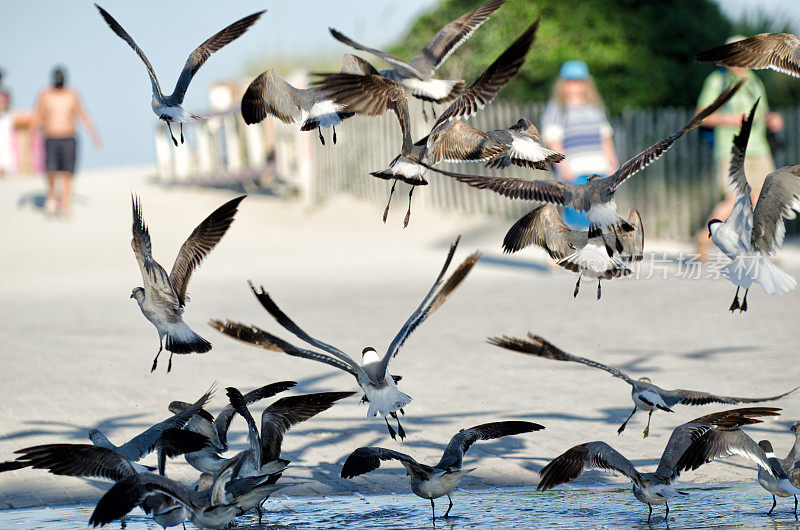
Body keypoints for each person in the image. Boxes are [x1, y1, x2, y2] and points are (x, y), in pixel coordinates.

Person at [695, 36, 783, 261]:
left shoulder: (754, 80)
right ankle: (703, 238)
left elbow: (761, 112)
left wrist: (771, 119)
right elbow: (701, 116)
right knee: (734, 200)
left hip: (760, 149)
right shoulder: (717, 80)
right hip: (731, 149)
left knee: (763, 200)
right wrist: (732, 119)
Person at [541, 60, 618, 228]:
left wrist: (612, 163)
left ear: (586, 83)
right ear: (562, 83)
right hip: (574, 173)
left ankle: (597, 252)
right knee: (577, 219)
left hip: (599, 171)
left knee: (600, 218)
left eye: (579, 81)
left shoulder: (595, 107)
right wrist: (564, 168)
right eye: (570, 81)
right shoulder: (557, 108)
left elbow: (605, 136)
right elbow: (553, 139)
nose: (574, 86)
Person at [29, 66, 101, 215]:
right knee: (51, 170)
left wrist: (94, 134)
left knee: (68, 172)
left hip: (69, 137)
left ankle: (65, 202)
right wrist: (31, 136)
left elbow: (82, 114)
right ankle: (51, 196)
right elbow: (37, 115)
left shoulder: (72, 94)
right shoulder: (45, 95)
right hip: (51, 137)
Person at [0, 68, 13, 176]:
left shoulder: (5, 92)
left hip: (3, 119)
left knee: (5, 143)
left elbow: (8, 105)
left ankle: (4, 168)